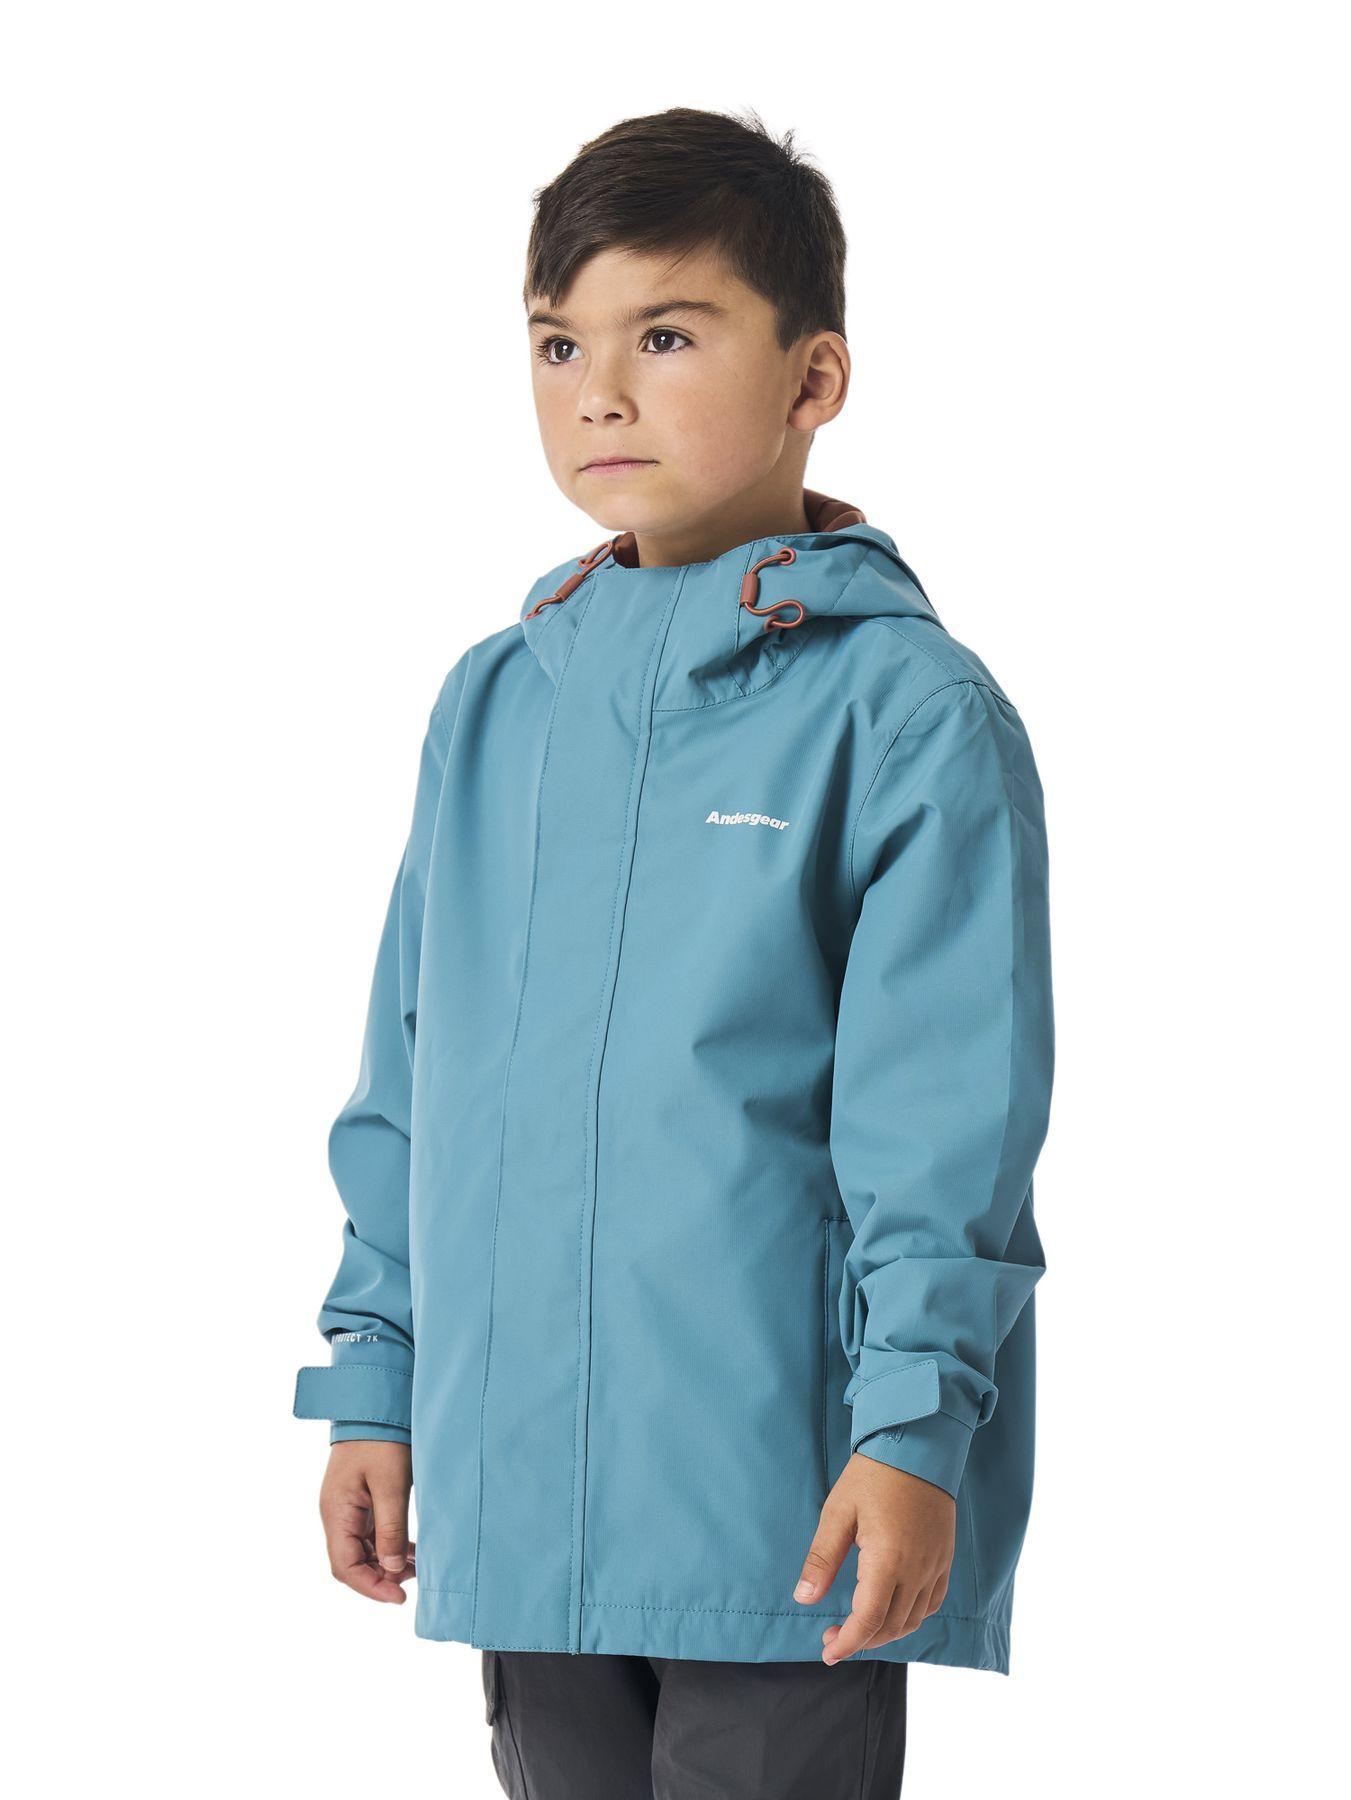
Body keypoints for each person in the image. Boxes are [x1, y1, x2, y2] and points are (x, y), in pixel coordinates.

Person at [292, 105, 1055, 1800]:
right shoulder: (497, 704)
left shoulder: (907, 713)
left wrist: (914, 1427)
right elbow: (412, 1081)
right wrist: (374, 1384)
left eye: (667, 335)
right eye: (559, 344)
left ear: (814, 375)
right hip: (521, 1495)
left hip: (782, 1512)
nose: (599, 393)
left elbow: (946, 1124)